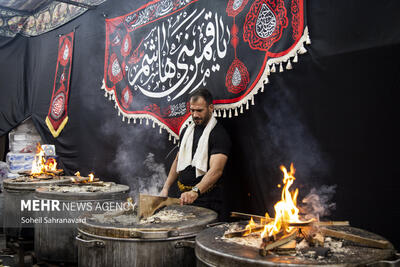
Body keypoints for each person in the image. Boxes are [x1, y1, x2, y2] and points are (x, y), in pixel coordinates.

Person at [160, 88, 231, 217]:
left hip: (208, 201)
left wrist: (195, 192)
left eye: (199, 110)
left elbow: (216, 171)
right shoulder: (186, 131)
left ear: (210, 108)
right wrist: (166, 187)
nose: (195, 115)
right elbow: (178, 160)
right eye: (192, 110)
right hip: (183, 198)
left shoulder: (219, 134)